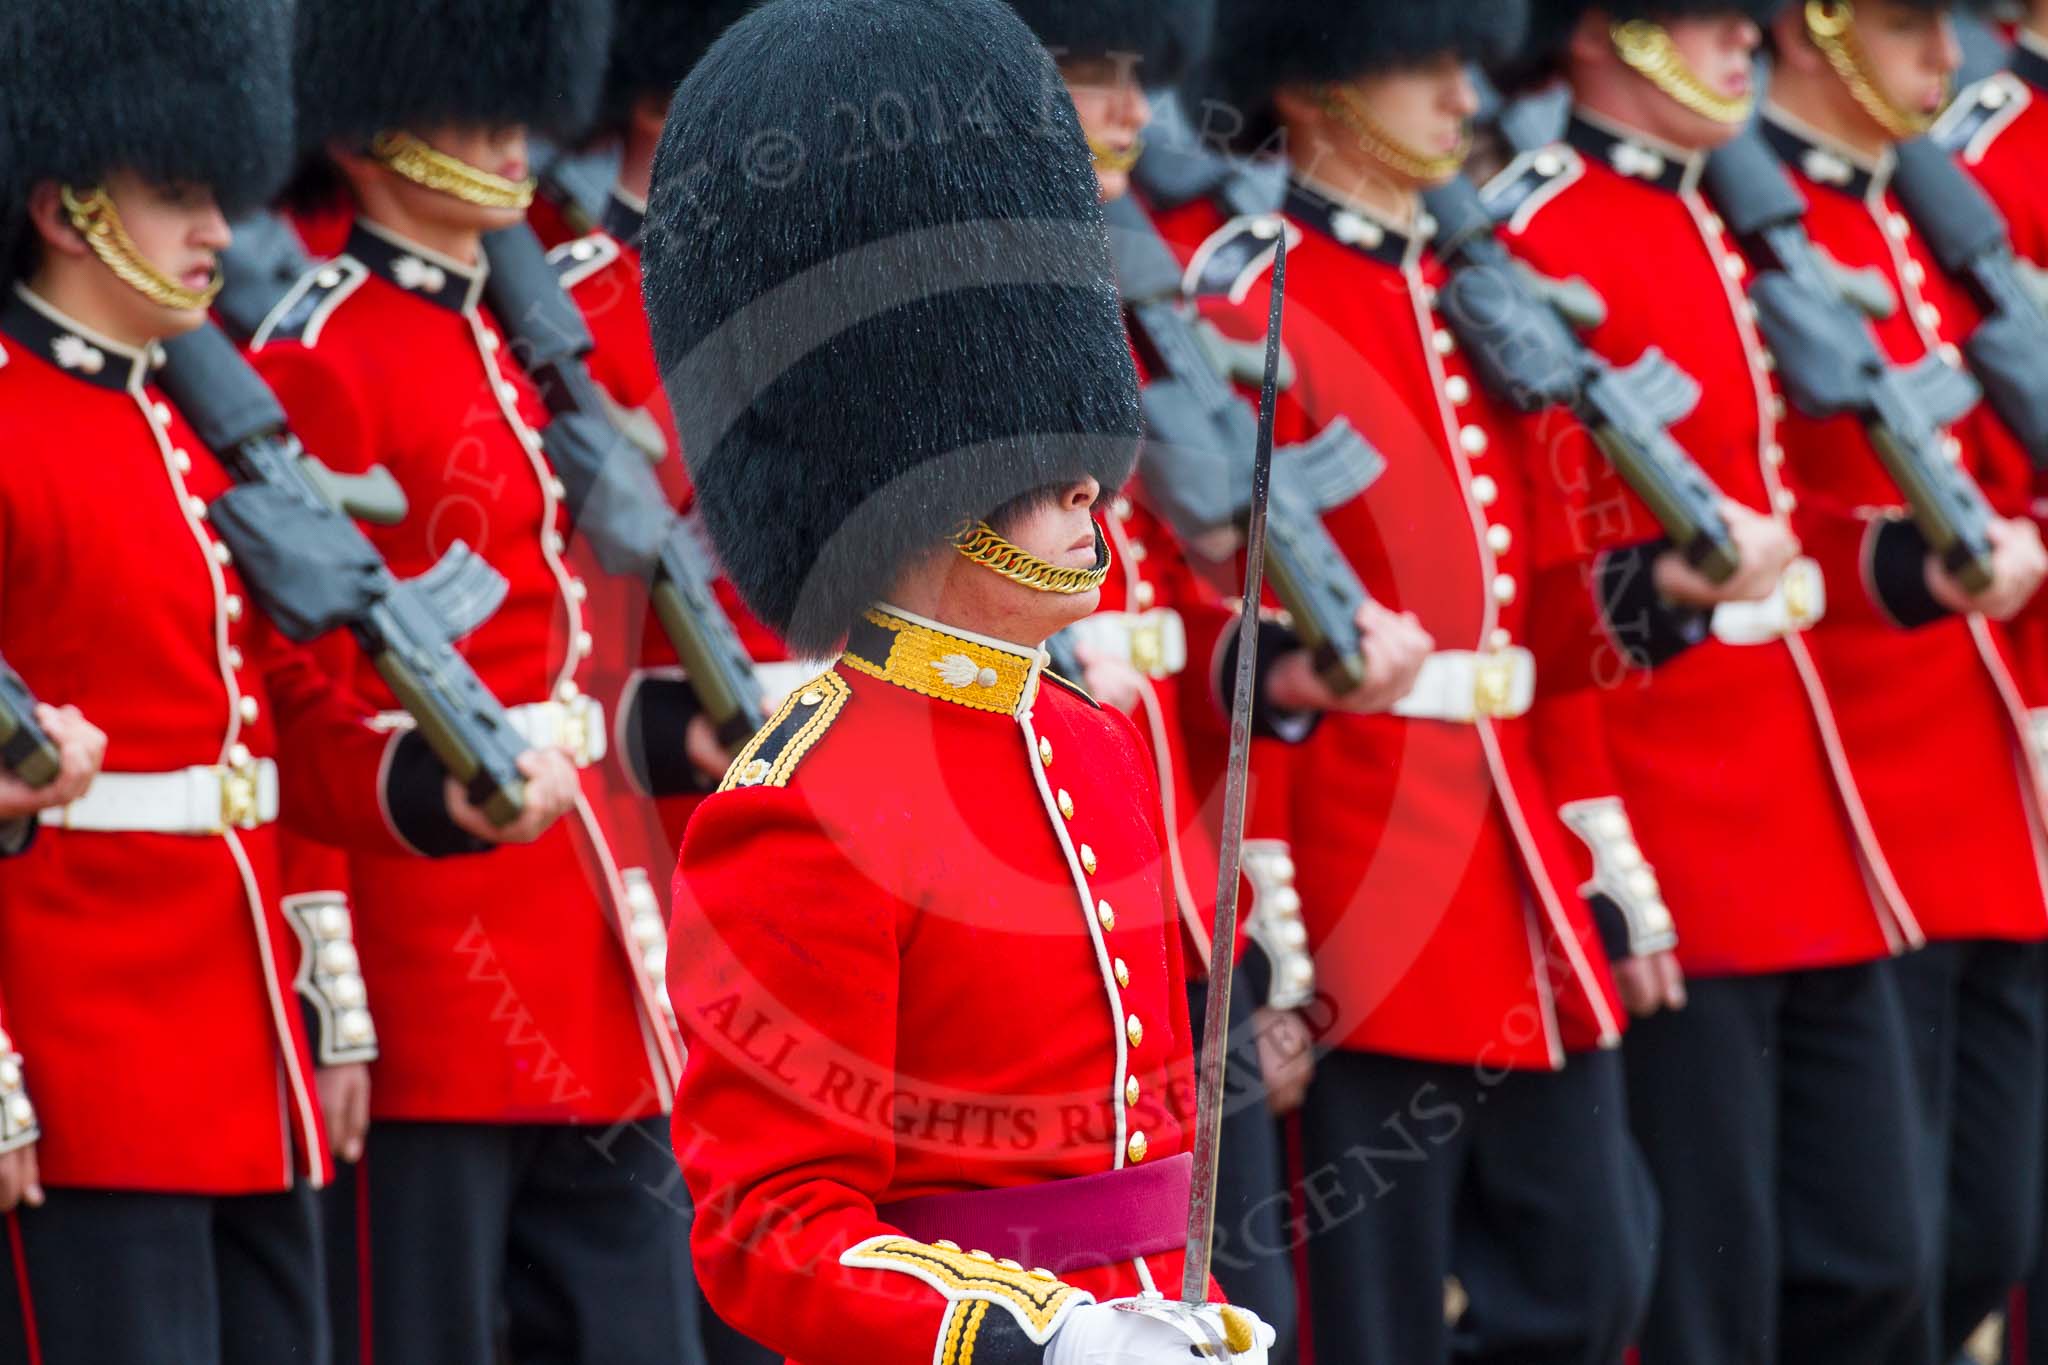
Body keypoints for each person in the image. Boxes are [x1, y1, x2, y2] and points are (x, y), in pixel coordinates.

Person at [648, 0, 1277, 1360]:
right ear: (906, 475)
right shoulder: (809, 799)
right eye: (1024, 452)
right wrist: (1026, 1338)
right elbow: (770, 1221)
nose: (1083, 482)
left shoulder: (1093, 741)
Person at [0, 2, 576, 1361]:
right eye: (178, 194)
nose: (219, 230)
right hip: (83, 1070)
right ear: (61, 205)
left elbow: (286, 728)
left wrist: (438, 794)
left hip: (245, 1062)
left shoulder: (194, 440)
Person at [1155, 3, 1675, 1361]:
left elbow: (1541, 628)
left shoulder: (1456, 293)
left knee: (1596, 1276)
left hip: (1514, 880)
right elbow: (1233, 648)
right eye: (1424, 61)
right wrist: (1269, 930)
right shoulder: (1249, 297)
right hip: (1362, 880)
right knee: (1366, 1318)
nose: (1463, 95)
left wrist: (1602, 854)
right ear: (1323, 87)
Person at [1492, 3, 1956, 1360]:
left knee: (1882, 1260)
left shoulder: (1725, 215)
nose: (1744, 42)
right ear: (1594, 36)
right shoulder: (1541, 230)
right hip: (1672, 813)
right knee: (1710, 1291)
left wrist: (1923, 570)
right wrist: (1597, 837)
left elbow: (1793, 515)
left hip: (1813, 811)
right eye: (1703, 18)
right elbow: (1534, 574)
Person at [245, 2, 702, 1361]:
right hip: (435, 978)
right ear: (375, 127)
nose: (512, 137)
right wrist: (334, 980)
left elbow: (576, 658)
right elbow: (303, 691)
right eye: (472, 106)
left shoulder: (516, 338)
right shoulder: (322, 351)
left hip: (590, 952)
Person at [1754, 4, 2048, 1359]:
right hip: (1851, 774)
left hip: (1981, 776)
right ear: (1812, 32)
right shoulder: (1761, 218)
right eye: (1906, 23)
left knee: (1985, 1221)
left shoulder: (1923, 203)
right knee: (1888, 1249)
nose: (1948, 53)